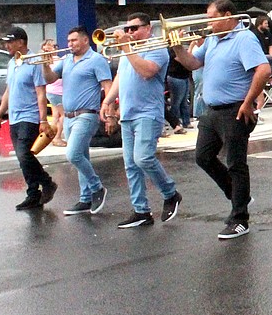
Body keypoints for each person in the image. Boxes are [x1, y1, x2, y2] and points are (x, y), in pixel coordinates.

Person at [171, 0, 271, 240]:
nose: (208, 23)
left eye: (211, 18)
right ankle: (240, 196)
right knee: (203, 157)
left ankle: (240, 219)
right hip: (212, 110)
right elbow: (193, 63)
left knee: (236, 163)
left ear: (227, 15)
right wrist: (177, 47)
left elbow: (264, 70)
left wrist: (248, 102)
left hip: (235, 109)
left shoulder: (243, 38)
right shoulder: (213, 40)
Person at [100, 13, 182, 229]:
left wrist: (127, 49)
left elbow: (147, 72)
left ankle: (170, 193)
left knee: (143, 158)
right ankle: (141, 211)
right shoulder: (128, 51)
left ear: (148, 29)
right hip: (128, 113)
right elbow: (120, 77)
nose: (129, 32)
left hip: (148, 112)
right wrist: (108, 100)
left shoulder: (157, 47)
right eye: (127, 29)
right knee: (130, 165)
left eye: (134, 28)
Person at [41, 26, 113, 216]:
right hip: (69, 116)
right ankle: (85, 198)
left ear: (85, 40)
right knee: (82, 156)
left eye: (74, 40)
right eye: (69, 41)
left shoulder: (96, 60)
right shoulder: (66, 61)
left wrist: (110, 112)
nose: (70, 44)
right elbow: (49, 79)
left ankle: (97, 188)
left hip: (87, 114)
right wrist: (44, 63)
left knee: (73, 155)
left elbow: (108, 86)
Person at [0, 27, 57, 210]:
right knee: (22, 158)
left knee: (24, 153)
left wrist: (43, 120)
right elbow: (8, 90)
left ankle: (47, 182)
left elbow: (40, 93)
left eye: (10, 42)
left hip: (29, 116)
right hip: (14, 116)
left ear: (21, 42)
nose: (7, 46)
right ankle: (33, 193)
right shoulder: (12, 62)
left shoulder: (34, 61)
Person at [41, 39, 67, 146]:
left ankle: (51, 137)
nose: (55, 48)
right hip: (57, 92)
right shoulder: (53, 61)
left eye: (55, 46)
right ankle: (57, 137)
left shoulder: (56, 60)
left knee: (56, 116)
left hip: (52, 92)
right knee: (64, 116)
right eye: (52, 46)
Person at [165, 49, 193, 134]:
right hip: (176, 77)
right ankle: (176, 123)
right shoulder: (172, 50)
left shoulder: (181, 48)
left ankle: (186, 121)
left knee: (184, 102)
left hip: (184, 76)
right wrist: (191, 46)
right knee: (176, 102)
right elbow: (183, 60)